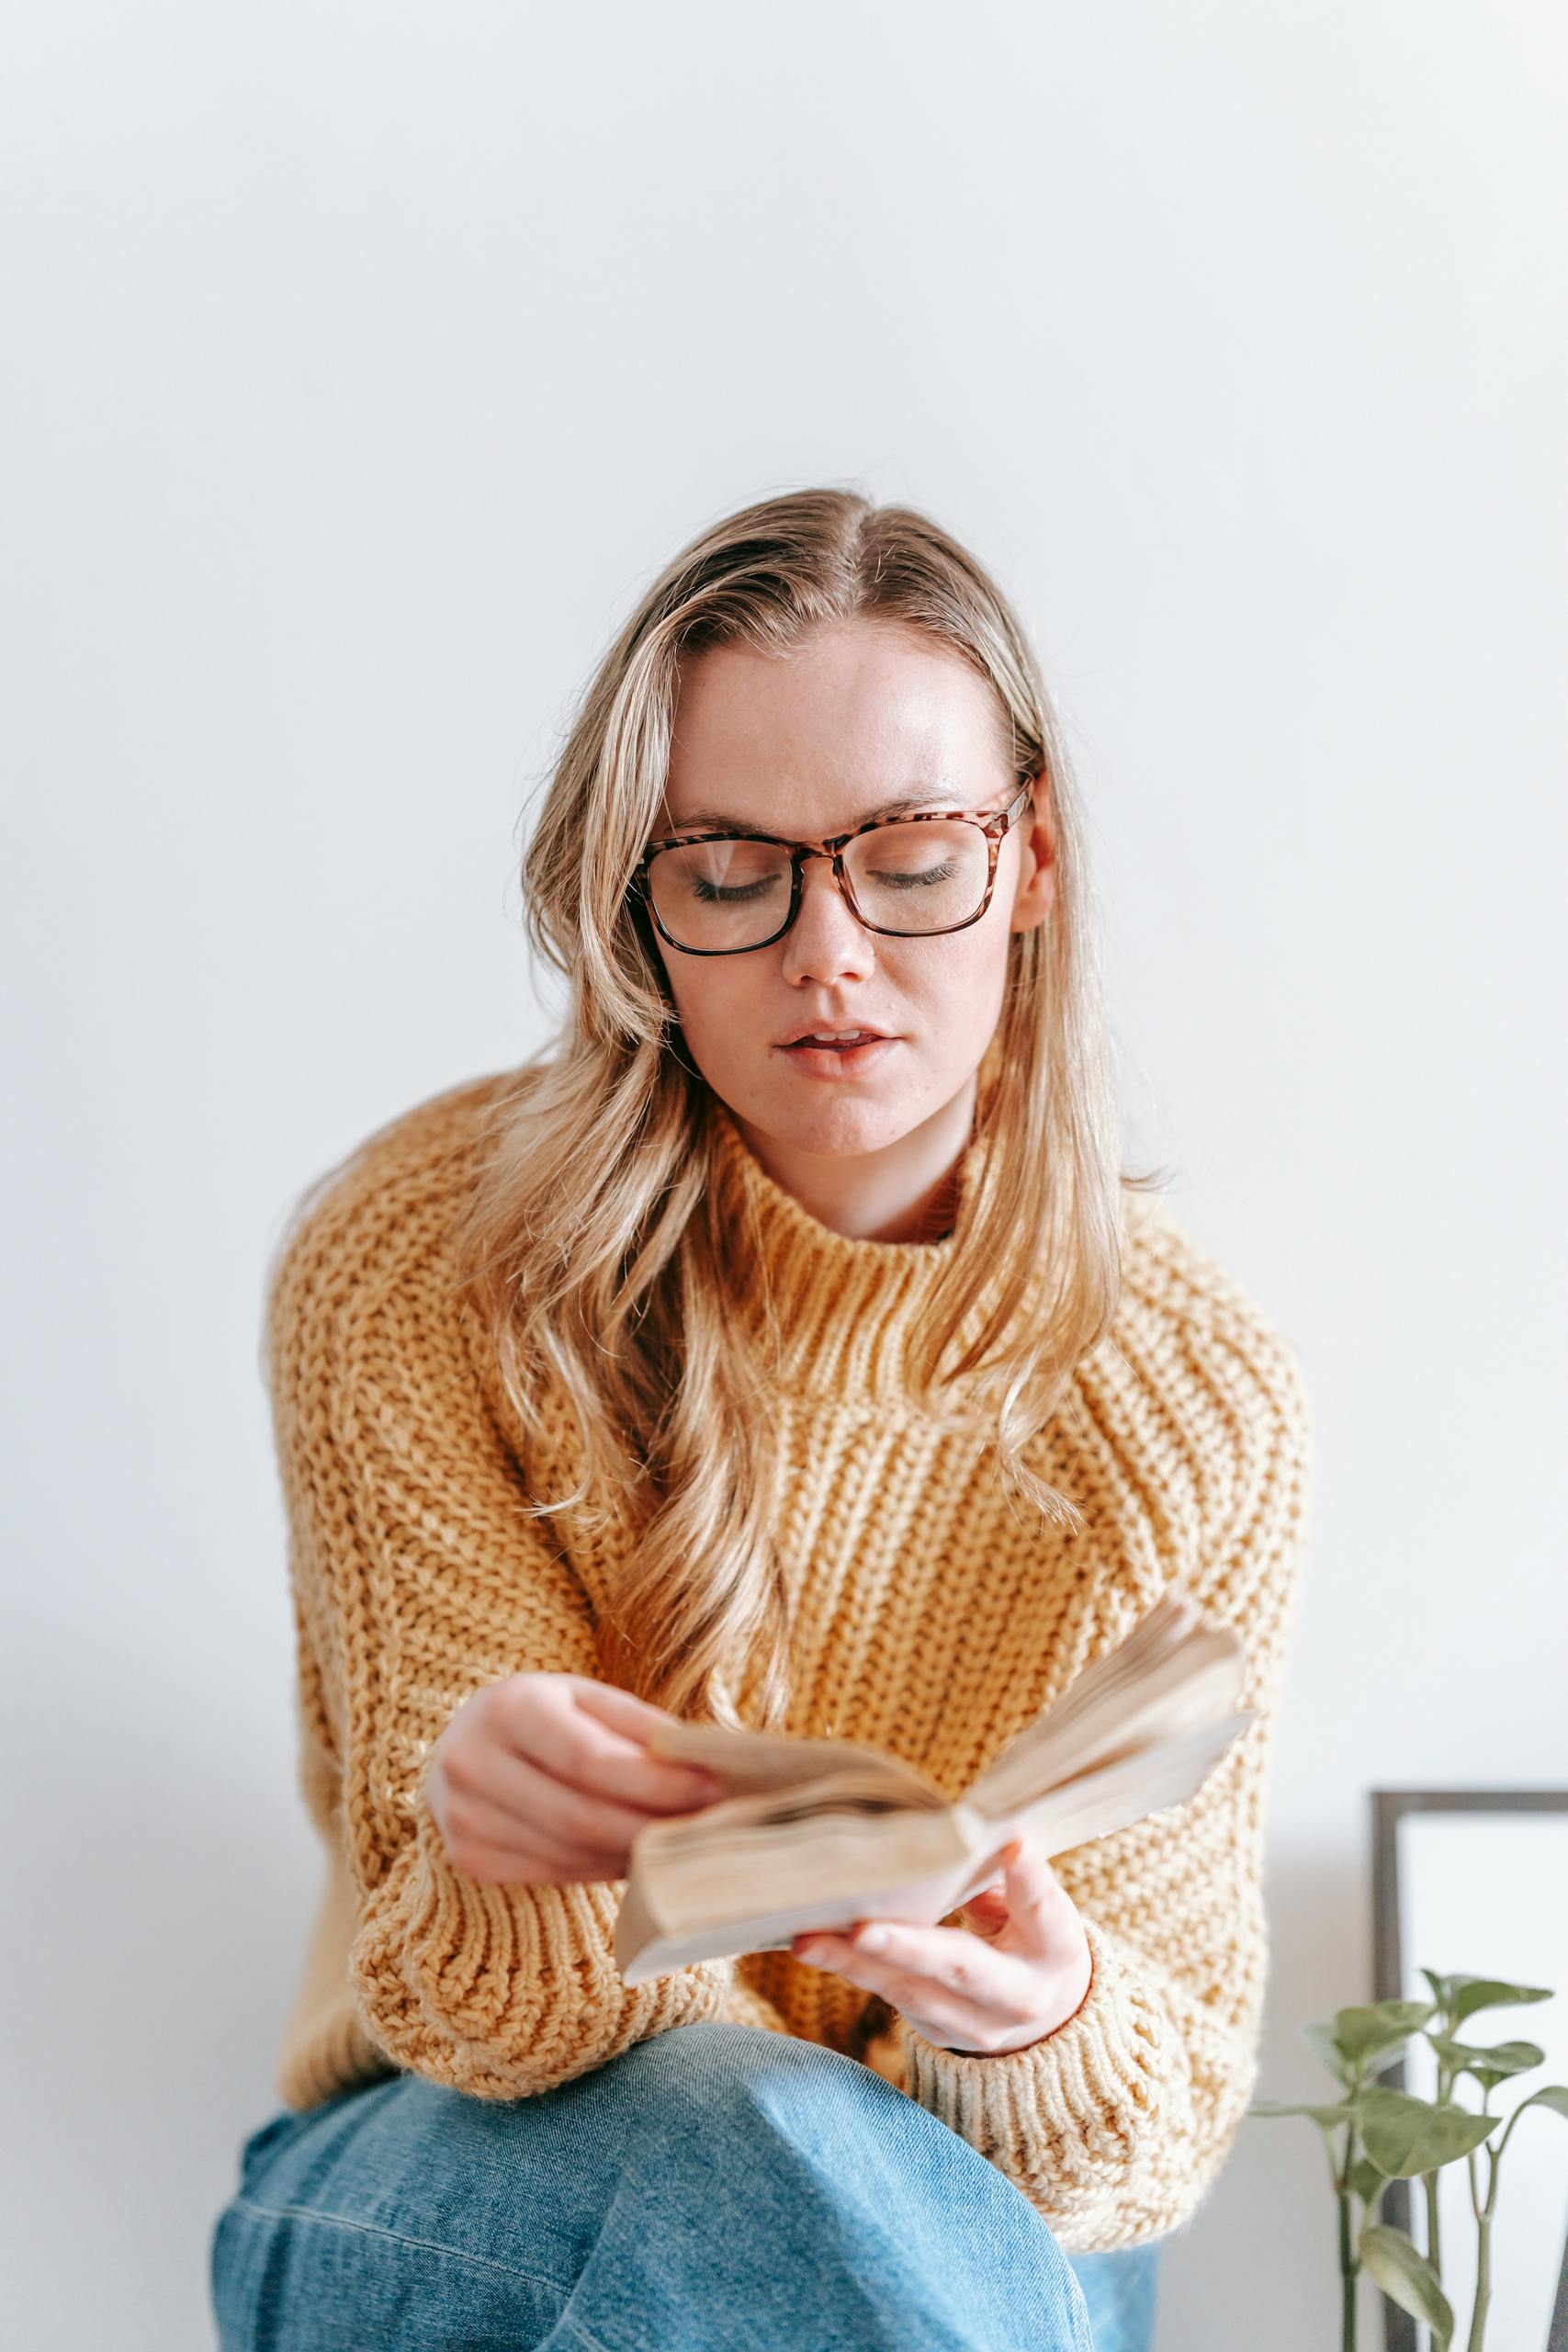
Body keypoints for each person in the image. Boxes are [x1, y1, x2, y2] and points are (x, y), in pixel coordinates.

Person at [209, 488, 1312, 2352]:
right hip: (464, 2153)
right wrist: (501, 1849)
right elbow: (490, 2021)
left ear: (1026, 858)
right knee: (753, 2157)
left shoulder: (1191, 1397)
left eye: (906, 855)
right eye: (732, 865)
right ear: (634, 890)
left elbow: (1144, 2138)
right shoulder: (421, 1261)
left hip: (972, 2209)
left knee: (925, 2228)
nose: (827, 950)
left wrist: (1037, 2014)